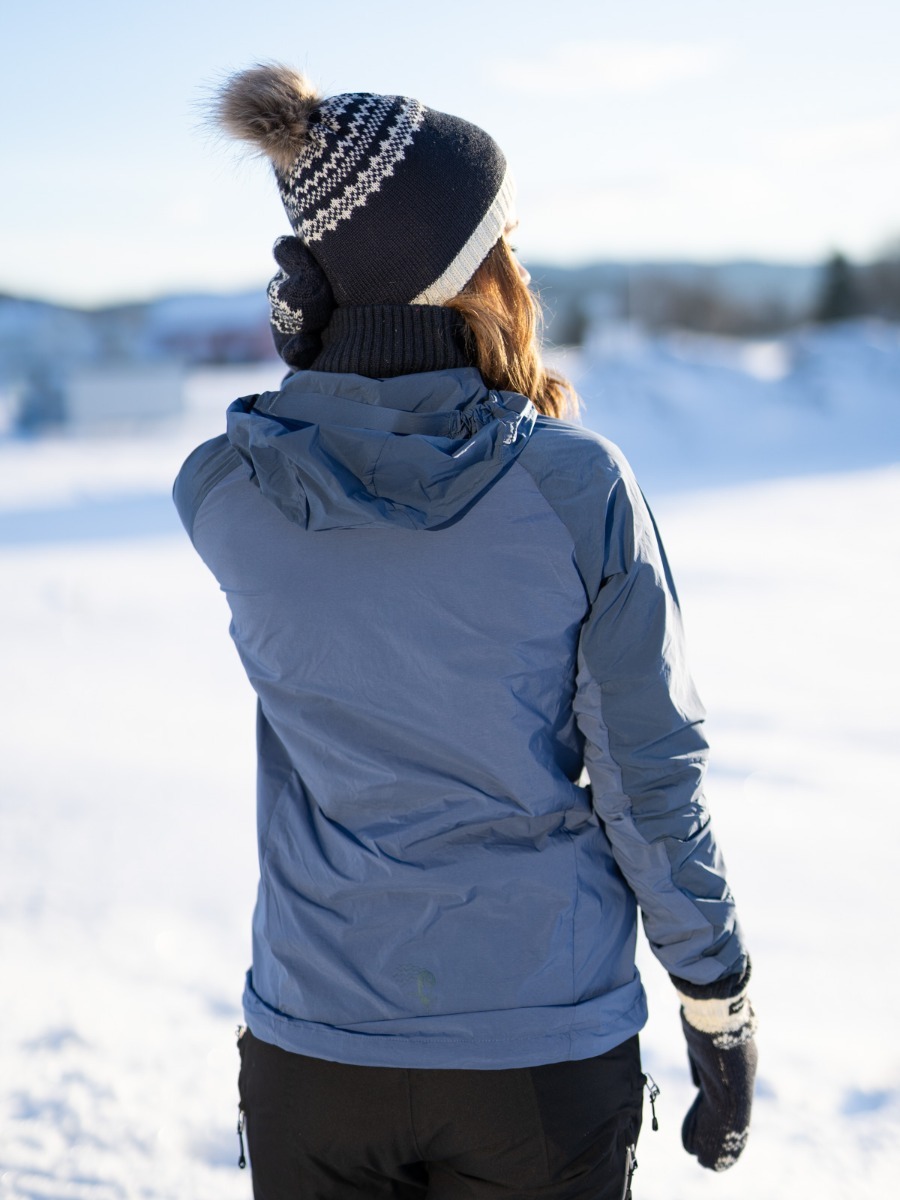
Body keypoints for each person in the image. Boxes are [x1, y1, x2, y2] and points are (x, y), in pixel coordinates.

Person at [174, 64, 758, 1200]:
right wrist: (715, 997)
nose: (523, 263)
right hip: (536, 1056)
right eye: (506, 238)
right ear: (465, 275)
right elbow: (647, 779)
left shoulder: (228, 493)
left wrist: (330, 341)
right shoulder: (574, 486)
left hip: (315, 1047)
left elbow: (296, 446)